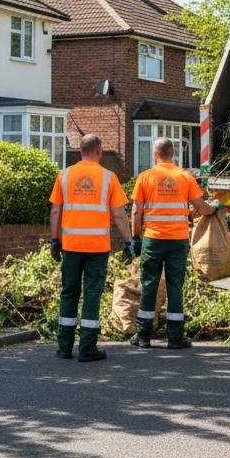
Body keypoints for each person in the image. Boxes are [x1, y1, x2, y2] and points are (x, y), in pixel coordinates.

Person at [49, 134, 132, 362]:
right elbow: (119, 214)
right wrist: (128, 242)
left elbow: (56, 211)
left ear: (79, 151)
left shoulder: (64, 175)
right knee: (92, 295)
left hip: (71, 246)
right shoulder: (108, 177)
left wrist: (54, 241)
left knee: (69, 293)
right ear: (100, 152)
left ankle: (64, 347)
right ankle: (87, 348)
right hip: (97, 248)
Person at [129, 137, 217, 350]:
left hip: (153, 239)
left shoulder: (145, 177)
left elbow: (136, 211)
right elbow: (200, 206)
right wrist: (214, 208)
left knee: (149, 285)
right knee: (175, 286)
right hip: (177, 241)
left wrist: (135, 238)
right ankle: (175, 337)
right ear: (173, 154)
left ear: (155, 154)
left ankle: (143, 336)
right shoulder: (185, 177)